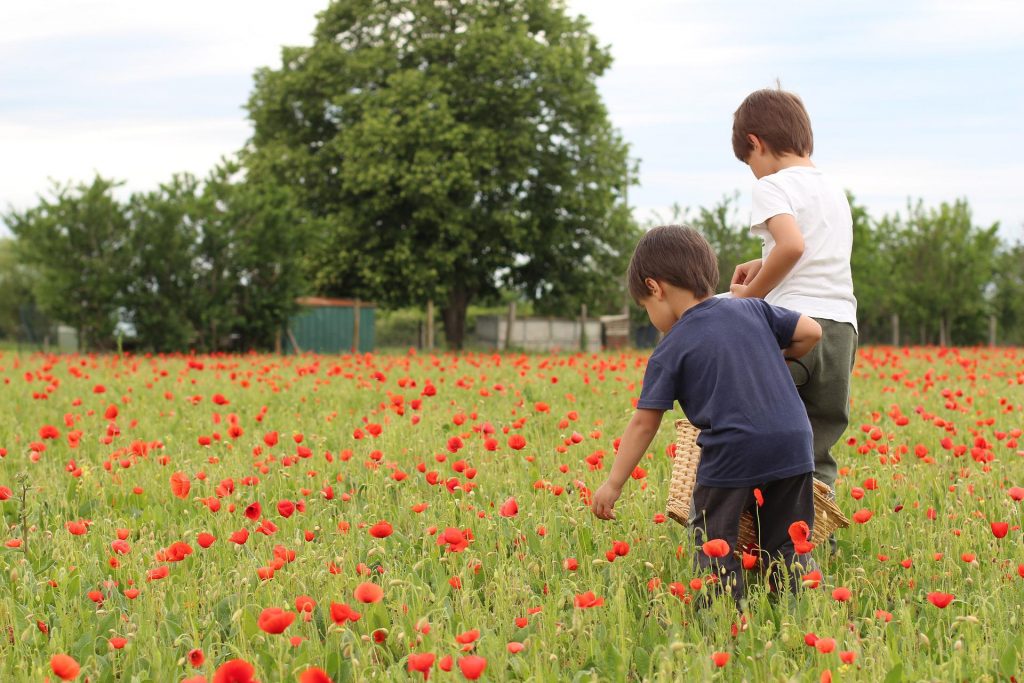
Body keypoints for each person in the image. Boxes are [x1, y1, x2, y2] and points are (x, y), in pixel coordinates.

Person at [591, 225, 822, 604]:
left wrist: (613, 484)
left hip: (732, 451)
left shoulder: (672, 348)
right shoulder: (751, 307)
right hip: (793, 443)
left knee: (714, 541)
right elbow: (811, 332)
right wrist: (771, 358)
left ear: (655, 287)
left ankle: (724, 617)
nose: (651, 316)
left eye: (646, 308)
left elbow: (645, 422)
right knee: (788, 543)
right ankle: (794, 615)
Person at [729, 87, 858, 499]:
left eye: (749, 163)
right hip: (841, 329)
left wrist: (749, 297)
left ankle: (769, 536)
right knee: (818, 443)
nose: (754, 172)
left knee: (769, 433)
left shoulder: (772, 187)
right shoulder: (832, 189)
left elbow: (792, 246)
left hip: (795, 327)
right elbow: (813, 251)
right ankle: (816, 544)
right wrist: (762, 263)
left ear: (755, 143)